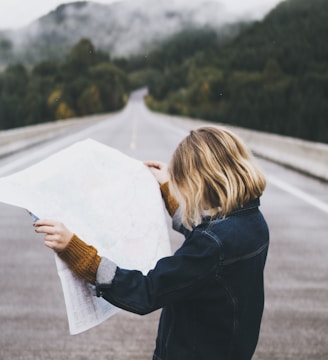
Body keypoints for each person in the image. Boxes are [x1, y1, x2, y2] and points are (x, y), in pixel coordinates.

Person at [34, 126, 269, 360]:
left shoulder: (211, 246)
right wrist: (168, 190)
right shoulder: (252, 221)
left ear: (201, 183)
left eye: (183, 184)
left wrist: (78, 252)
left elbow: (147, 291)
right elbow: (209, 251)